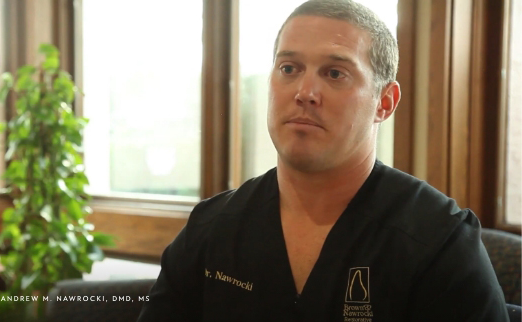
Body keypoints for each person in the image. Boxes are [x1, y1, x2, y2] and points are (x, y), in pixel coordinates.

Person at [137, 0, 509, 321]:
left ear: (385, 102)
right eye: (289, 69)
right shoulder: (212, 229)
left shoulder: (438, 241)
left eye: (335, 73)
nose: (305, 92)